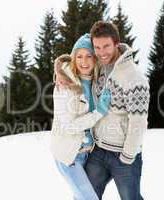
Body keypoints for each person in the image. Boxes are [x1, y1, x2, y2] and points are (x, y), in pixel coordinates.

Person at [56, 21, 150, 200]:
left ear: (116, 43)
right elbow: (75, 61)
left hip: (123, 155)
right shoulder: (99, 66)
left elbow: (138, 122)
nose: (101, 52)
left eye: (106, 46)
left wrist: (127, 156)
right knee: (84, 197)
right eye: (97, 48)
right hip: (99, 151)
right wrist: (60, 73)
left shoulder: (134, 78)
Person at [50, 33, 111, 200]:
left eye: (88, 56)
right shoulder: (65, 85)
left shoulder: (96, 83)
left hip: (88, 154)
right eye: (79, 56)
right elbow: (68, 126)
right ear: (73, 59)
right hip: (69, 155)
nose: (84, 61)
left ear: (95, 58)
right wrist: (98, 112)